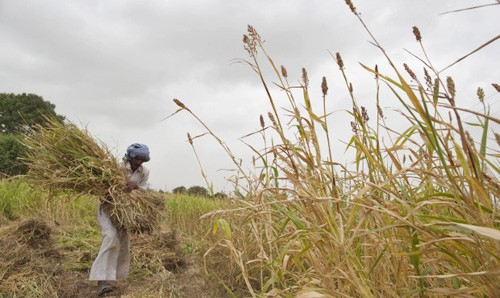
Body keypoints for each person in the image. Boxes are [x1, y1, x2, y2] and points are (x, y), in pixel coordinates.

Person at [89, 143, 151, 296]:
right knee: (110, 237)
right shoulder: (117, 166)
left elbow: (145, 189)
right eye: (137, 158)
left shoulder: (144, 172)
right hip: (109, 208)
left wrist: (135, 186)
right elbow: (103, 187)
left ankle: (112, 278)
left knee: (123, 241)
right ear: (131, 156)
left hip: (126, 211)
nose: (140, 162)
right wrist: (118, 188)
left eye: (143, 159)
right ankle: (101, 281)